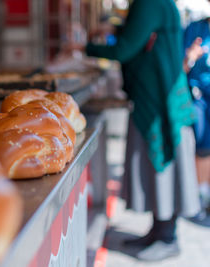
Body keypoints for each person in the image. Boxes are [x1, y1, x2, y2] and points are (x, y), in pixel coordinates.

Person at [69, 0, 200, 261]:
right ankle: (157, 231)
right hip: (159, 97)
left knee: (162, 164)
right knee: (156, 166)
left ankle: (167, 237)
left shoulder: (150, 3)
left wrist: (84, 47)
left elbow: (125, 49)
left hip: (160, 102)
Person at [184, 14, 210, 217]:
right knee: (202, 146)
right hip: (198, 95)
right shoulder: (195, 29)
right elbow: (182, 66)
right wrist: (191, 57)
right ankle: (202, 197)